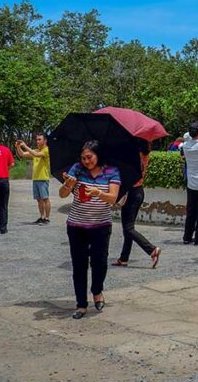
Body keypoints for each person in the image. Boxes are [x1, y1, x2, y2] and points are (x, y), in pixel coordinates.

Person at [60, 141, 120, 319]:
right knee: (79, 266)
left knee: (99, 263)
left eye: (90, 157)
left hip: (101, 226)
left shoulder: (111, 171)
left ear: (98, 155)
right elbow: (62, 194)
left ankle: (97, 291)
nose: (86, 161)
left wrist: (98, 193)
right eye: (83, 158)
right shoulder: (76, 169)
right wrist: (68, 185)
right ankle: (81, 304)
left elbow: (113, 199)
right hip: (76, 225)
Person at [114, 140, 161, 269]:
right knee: (128, 227)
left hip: (131, 192)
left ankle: (151, 249)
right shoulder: (145, 154)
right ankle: (124, 258)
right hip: (139, 191)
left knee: (128, 228)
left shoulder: (133, 156)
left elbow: (126, 175)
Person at [16, 133, 52, 224]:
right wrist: (18, 147)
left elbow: (36, 154)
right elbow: (23, 154)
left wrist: (25, 146)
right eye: (37, 140)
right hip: (35, 178)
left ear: (45, 140)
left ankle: (47, 218)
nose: (38, 141)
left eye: (40, 139)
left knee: (45, 198)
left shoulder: (46, 150)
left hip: (43, 178)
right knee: (39, 199)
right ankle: (42, 216)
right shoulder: (36, 150)